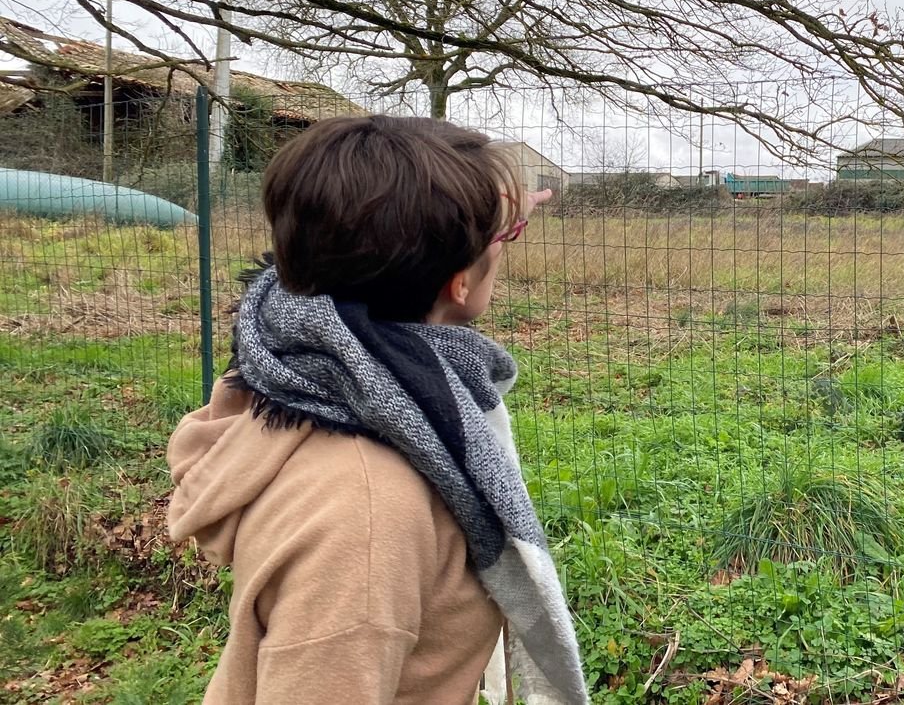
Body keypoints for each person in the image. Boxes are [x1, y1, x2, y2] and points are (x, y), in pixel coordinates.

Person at [165, 116, 590, 704]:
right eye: (507, 237)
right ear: (459, 282)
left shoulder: (304, 373)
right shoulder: (367, 519)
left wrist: (496, 217)